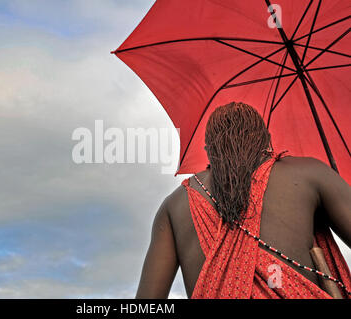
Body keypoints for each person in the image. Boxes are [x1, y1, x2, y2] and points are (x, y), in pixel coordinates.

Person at [136, 102, 351, 299]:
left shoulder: (174, 205)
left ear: (209, 150)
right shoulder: (308, 173)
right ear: (266, 139)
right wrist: (327, 181)